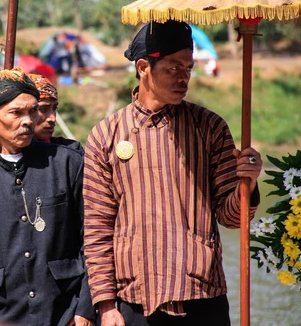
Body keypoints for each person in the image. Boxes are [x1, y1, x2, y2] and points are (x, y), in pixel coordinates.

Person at [82, 21, 263, 326]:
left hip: (202, 296)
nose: (184, 78)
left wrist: (248, 182)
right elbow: (97, 229)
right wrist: (105, 304)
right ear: (143, 67)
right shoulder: (105, 136)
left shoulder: (209, 127)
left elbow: (232, 218)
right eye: (173, 67)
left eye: (189, 68)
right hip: (133, 300)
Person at [0, 68, 95, 326]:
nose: (28, 121)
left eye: (33, 111)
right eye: (16, 113)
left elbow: (94, 240)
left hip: (65, 314)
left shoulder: (68, 165)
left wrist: (85, 309)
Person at [27, 73, 83, 152]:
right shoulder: (7, 156)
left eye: (54, 108)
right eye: (43, 109)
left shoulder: (71, 153)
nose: (52, 118)